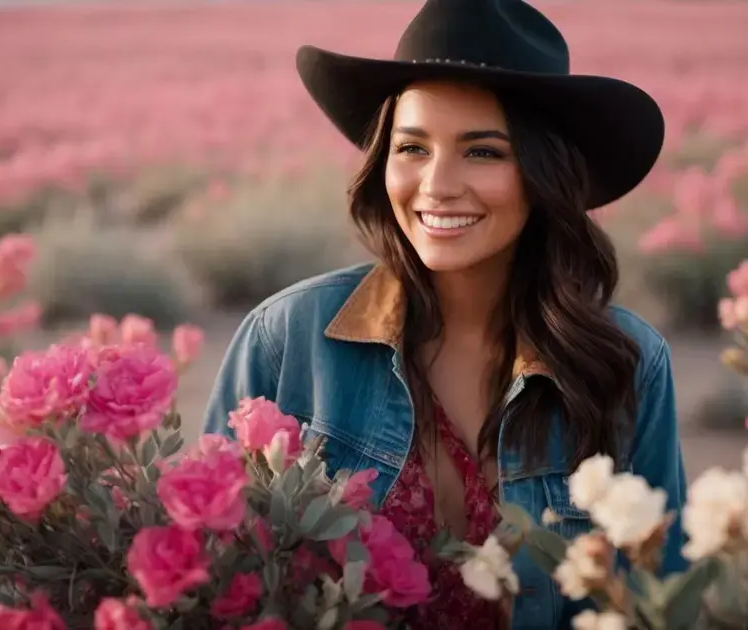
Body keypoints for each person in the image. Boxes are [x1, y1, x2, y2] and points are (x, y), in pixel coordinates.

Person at [202, 0, 688, 627]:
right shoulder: (286, 339)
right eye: (412, 148)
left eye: (482, 152)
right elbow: (207, 569)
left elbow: (661, 599)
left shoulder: (629, 364)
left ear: (545, 176)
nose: (436, 185)